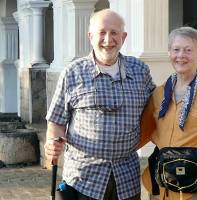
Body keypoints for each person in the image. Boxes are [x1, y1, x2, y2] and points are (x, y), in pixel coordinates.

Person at [44, 9, 155, 200]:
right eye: (102, 32)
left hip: (127, 179)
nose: (108, 39)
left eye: (114, 33)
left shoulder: (140, 71)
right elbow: (56, 121)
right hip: (83, 179)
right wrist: (52, 144)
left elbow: (159, 104)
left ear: (124, 37)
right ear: (90, 36)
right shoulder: (73, 72)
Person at [140, 27, 197, 200]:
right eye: (176, 49)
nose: (181, 55)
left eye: (188, 50)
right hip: (160, 187)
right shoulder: (158, 94)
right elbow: (143, 133)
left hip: (194, 190)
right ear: (169, 53)